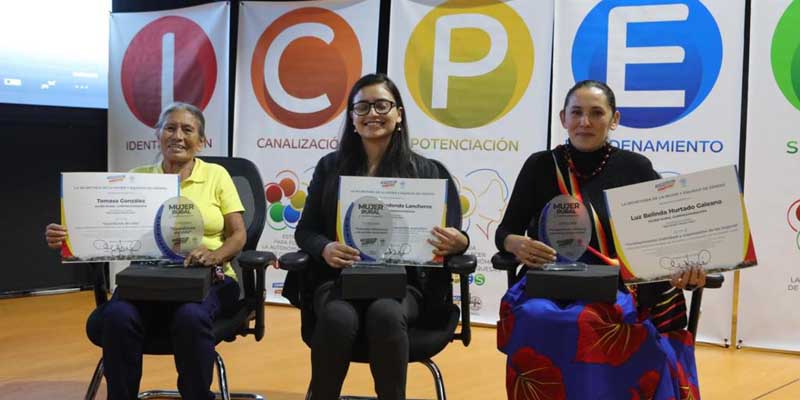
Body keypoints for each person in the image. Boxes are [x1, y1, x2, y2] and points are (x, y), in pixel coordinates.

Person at [495, 80, 707, 400]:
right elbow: (504, 232)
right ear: (562, 117)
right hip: (549, 282)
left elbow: (665, 237)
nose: (585, 122)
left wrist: (684, 266)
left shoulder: (635, 168)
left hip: (617, 286)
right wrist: (515, 243)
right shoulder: (540, 166)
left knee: (591, 320)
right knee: (537, 315)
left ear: (614, 119)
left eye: (596, 113)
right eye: (576, 112)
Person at [281, 73, 469, 400]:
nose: (372, 114)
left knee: (386, 312)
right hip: (340, 280)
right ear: (352, 119)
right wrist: (324, 248)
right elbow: (305, 231)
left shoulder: (428, 172)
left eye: (382, 105)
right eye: (362, 107)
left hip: (405, 285)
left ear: (399, 115)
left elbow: (457, 235)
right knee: (338, 317)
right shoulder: (330, 168)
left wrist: (459, 242)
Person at [45, 102, 246, 400]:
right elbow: (104, 227)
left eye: (187, 129)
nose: (177, 135)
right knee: (117, 316)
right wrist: (67, 236)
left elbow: (238, 234)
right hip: (147, 280)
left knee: (190, 317)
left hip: (207, 277)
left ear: (201, 141)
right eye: (170, 128)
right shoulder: (138, 177)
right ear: (158, 135)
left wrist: (215, 255)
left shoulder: (217, 175)